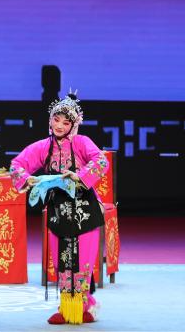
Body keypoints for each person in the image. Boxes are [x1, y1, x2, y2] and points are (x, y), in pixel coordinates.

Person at [9, 92, 108, 325]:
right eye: (56, 120)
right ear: (50, 120)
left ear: (74, 125)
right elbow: (17, 164)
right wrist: (27, 179)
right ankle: (66, 308)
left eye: (65, 122)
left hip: (84, 208)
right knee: (63, 259)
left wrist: (79, 176)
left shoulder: (82, 142)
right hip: (58, 209)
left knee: (82, 260)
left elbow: (101, 161)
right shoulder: (44, 146)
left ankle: (84, 304)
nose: (60, 126)